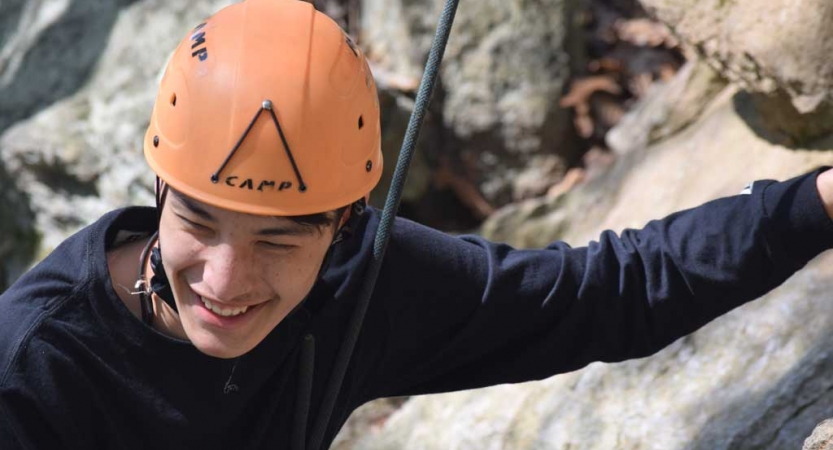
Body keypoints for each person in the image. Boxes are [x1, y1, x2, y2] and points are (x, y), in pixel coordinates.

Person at [1, 0, 832, 448]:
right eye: (200, 222)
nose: (224, 280)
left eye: (279, 239)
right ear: (158, 185)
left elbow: (604, 292)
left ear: (343, 225)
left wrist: (816, 205)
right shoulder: (34, 369)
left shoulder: (359, 288)